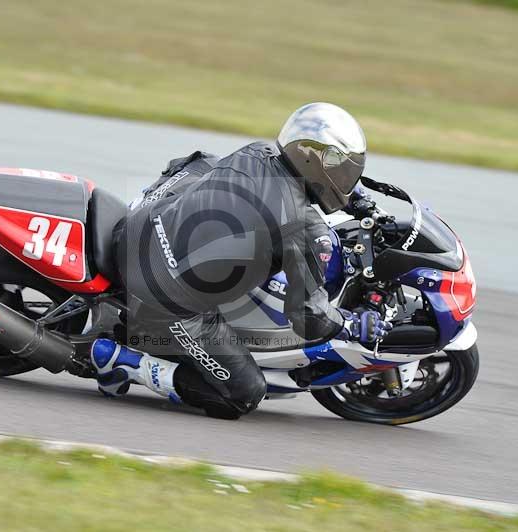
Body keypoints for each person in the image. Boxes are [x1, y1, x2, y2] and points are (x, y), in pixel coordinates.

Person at [90, 102, 391, 419]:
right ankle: (122, 363)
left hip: (136, 230)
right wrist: (351, 323)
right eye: (342, 169)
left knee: (205, 166)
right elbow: (308, 317)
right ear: (314, 161)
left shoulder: (256, 153)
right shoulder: (305, 229)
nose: (346, 176)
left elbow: (201, 166)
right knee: (244, 394)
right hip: (162, 299)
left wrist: (356, 198)